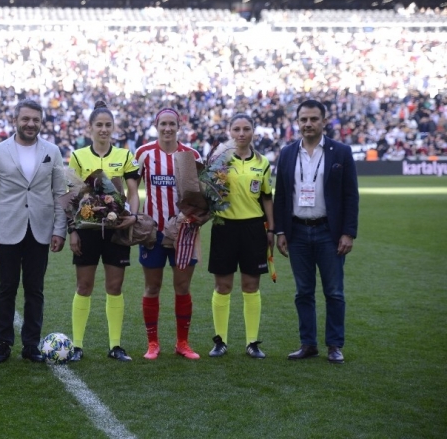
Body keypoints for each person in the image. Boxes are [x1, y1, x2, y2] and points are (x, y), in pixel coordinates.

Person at [0, 99, 67, 364]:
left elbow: (60, 193)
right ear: (15, 120)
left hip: (40, 230)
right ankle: (3, 344)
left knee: (35, 290)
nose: (30, 124)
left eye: (36, 120)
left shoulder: (52, 151)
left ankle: (31, 345)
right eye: (26, 119)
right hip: (7, 230)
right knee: (6, 288)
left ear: (41, 122)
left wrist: (60, 229)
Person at [273, 99, 359, 364]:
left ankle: (334, 345)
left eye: (313, 119)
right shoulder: (287, 152)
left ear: (323, 121)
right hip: (297, 232)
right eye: (303, 119)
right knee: (303, 292)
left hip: (328, 232)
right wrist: (280, 232)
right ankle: (308, 344)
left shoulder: (340, 151)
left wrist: (348, 232)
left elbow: (350, 195)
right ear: (297, 122)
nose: (308, 124)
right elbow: (282, 197)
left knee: (334, 292)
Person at [67, 100, 140, 362]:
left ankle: (115, 345)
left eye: (108, 125)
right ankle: (77, 346)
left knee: (115, 286)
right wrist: (72, 230)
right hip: (87, 230)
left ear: (114, 128)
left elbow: (133, 192)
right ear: (90, 128)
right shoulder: (78, 156)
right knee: (84, 285)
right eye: (99, 125)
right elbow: (71, 196)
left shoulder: (124, 156)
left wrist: (132, 215)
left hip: (117, 229)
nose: (104, 129)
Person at [135, 107, 207, 360]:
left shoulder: (192, 154)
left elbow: (203, 195)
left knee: (182, 286)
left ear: (179, 125)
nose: (167, 128)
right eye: (163, 124)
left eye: (172, 124)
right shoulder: (144, 153)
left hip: (185, 232)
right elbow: (133, 189)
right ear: (157, 126)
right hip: (153, 233)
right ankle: (152, 343)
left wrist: (198, 217)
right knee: (152, 287)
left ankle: (182, 343)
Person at [207, 114, 274, 360]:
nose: (241, 133)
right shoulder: (218, 162)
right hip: (224, 227)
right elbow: (208, 193)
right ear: (229, 131)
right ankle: (220, 341)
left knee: (250, 286)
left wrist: (271, 229)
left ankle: (252, 343)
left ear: (253, 131)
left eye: (246, 129)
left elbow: (267, 196)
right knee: (222, 286)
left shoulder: (263, 162)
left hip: (253, 229)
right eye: (236, 129)